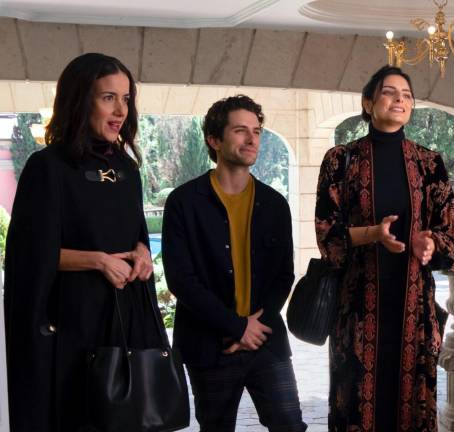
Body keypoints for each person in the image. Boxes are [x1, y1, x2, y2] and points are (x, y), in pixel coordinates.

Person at [3, 53, 161, 431]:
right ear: (80, 100)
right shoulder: (48, 167)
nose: (120, 110)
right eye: (108, 97)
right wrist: (98, 261)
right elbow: (28, 256)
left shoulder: (126, 168)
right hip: (71, 325)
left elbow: (136, 233)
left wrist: (142, 253)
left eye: (125, 98)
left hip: (123, 320)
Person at [315, 65, 454, 431]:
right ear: (368, 103)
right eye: (389, 92)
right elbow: (327, 236)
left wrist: (430, 244)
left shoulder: (430, 164)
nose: (400, 100)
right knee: (356, 412)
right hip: (357, 316)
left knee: (412, 412)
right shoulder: (340, 160)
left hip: (415, 315)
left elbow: (452, 240)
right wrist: (372, 234)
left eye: (407, 95)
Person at [162, 95, 306, 432]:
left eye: (256, 131)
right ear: (214, 140)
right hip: (209, 344)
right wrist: (236, 327)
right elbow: (181, 279)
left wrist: (255, 327)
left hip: (264, 339)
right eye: (240, 130)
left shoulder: (275, 204)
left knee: (290, 425)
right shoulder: (183, 202)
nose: (252, 138)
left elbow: (284, 275)